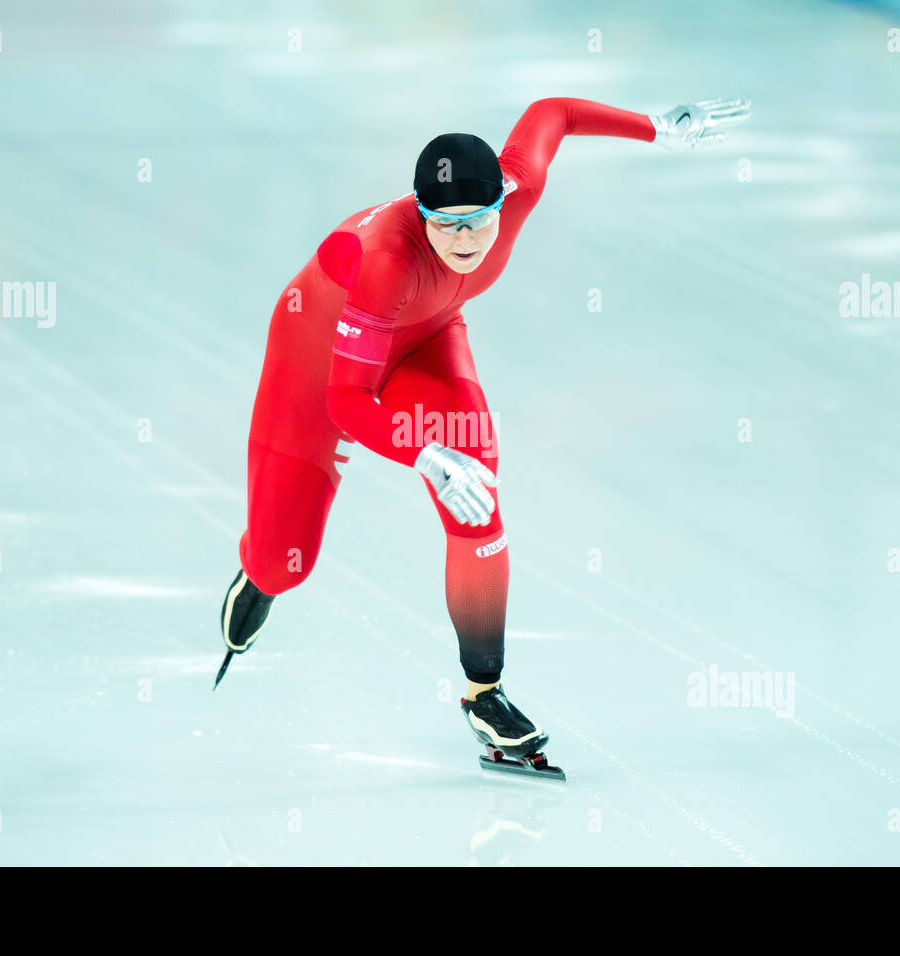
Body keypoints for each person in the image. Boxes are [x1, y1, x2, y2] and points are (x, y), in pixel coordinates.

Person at [218, 96, 751, 761]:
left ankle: (483, 693)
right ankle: (259, 574)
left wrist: (655, 129)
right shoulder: (386, 261)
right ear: (420, 213)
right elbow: (347, 403)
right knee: (284, 561)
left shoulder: (519, 187)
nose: (465, 241)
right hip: (318, 353)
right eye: (446, 226)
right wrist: (421, 454)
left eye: (479, 221)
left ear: (505, 199)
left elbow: (553, 112)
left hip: (423, 338)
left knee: (477, 492)